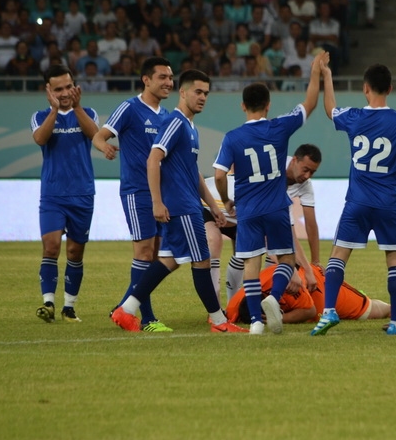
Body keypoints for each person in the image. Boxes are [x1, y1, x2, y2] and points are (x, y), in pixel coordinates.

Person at [110, 69, 247, 334]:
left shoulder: (190, 127)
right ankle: (219, 322)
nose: (203, 97)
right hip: (181, 207)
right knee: (202, 260)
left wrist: (210, 205)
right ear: (182, 92)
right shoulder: (175, 122)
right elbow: (153, 159)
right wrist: (157, 202)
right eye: (198, 92)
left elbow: (192, 173)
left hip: (190, 205)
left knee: (169, 260)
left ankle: (126, 309)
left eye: (206, 93)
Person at [310, 62, 396, 337]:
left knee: (339, 255)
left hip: (358, 201)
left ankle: (328, 312)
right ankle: (395, 325)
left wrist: (327, 76)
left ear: (365, 89)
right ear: (390, 88)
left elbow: (330, 110)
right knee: (395, 260)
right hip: (388, 202)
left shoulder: (354, 116)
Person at [213, 52, 327, 335]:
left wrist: (227, 199)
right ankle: (273, 299)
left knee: (251, 262)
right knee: (286, 259)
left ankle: (254, 322)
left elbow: (218, 174)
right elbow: (310, 103)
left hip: (248, 210)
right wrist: (316, 72)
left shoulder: (233, 137)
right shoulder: (279, 126)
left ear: (243, 106)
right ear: (268, 105)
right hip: (276, 206)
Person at [93, 56, 174, 332]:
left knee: (155, 256)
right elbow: (99, 135)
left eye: (170, 77)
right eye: (162, 77)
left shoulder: (166, 116)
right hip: (136, 190)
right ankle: (148, 319)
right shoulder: (129, 108)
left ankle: (123, 308)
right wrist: (103, 146)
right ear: (146, 79)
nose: (168, 82)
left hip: (161, 193)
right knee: (143, 253)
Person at [203, 143, 323, 305]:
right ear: (294, 161)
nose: (308, 176)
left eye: (313, 172)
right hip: (208, 205)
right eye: (305, 169)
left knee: (253, 252)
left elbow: (308, 225)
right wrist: (302, 270)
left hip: (241, 214)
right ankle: (217, 310)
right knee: (215, 241)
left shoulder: (300, 186)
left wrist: (314, 262)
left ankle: (257, 301)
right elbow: (289, 236)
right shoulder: (272, 176)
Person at [31, 65, 99, 324]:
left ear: (75, 86)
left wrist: (77, 108)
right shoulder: (40, 116)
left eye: (68, 86)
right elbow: (40, 138)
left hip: (82, 195)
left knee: (75, 253)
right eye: (57, 89)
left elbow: (94, 134)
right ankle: (48, 303)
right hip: (53, 195)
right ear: (48, 90)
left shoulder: (88, 113)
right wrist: (54, 111)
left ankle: (69, 307)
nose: (64, 93)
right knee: (51, 247)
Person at [226, 264, 391, 325]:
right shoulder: (236, 304)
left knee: (369, 311)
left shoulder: (290, 287)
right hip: (301, 282)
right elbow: (221, 318)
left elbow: (310, 310)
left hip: (319, 289)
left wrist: (279, 319)